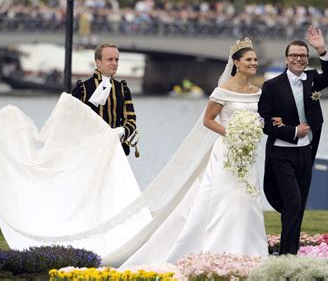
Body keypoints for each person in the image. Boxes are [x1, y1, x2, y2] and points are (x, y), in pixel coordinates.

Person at [121, 37, 282, 266]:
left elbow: (261, 119)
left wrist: (264, 125)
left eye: (255, 59)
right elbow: (208, 120)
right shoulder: (222, 91)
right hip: (226, 151)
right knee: (224, 198)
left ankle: (250, 251)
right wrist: (232, 133)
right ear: (236, 62)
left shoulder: (258, 92)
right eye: (249, 59)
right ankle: (217, 249)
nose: (254, 63)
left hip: (246, 155)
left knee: (247, 199)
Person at [258, 26, 328, 255]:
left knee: (299, 205)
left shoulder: (312, 79)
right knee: (292, 201)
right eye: (294, 55)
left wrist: (322, 49)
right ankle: (286, 255)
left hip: (306, 152)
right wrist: (292, 131)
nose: (298, 59)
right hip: (281, 154)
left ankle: (290, 254)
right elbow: (264, 123)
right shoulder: (271, 86)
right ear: (286, 59)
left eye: (302, 56)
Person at [72, 43, 138, 156]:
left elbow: (131, 120)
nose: (115, 63)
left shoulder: (123, 89)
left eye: (117, 60)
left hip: (115, 151)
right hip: (89, 153)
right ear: (98, 62)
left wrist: (122, 131)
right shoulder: (83, 88)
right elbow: (72, 120)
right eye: (110, 60)